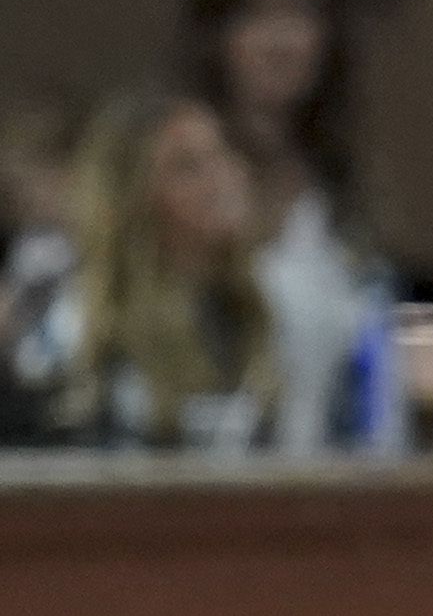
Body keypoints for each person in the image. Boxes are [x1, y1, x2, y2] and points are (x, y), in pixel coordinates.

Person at [180, 0, 399, 453]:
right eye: (256, 17)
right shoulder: (178, 176)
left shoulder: (338, 191)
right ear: (217, 37)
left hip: (326, 491)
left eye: (299, 15)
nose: (280, 41)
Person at [14, 89, 276, 451]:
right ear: (132, 198)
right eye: (186, 166)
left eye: (221, 154)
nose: (221, 179)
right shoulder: (77, 325)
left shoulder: (257, 307)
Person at [0, 93, 81, 443]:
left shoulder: (95, 253)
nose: (24, 195)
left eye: (38, 177)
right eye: (14, 183)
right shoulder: (29, 245)